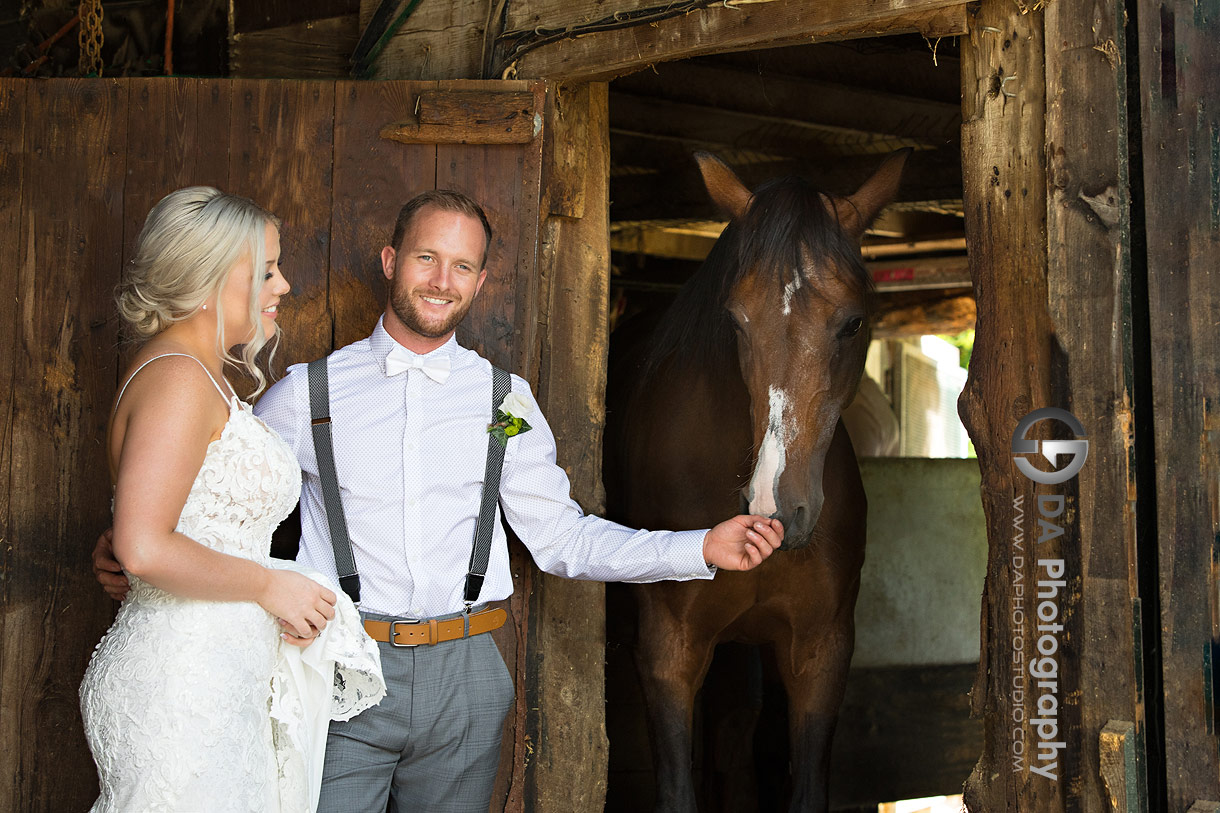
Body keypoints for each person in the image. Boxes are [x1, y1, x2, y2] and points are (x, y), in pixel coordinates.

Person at [94, 189, 784, 813]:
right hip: (341, 665)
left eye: (462, 266)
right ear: (392, 260)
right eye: (427, 257)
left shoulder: (502, 403)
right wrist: (128, 551)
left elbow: (563, 539)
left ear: (481, 282)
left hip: (468, 674)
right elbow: (206, 488)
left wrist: (699, 545)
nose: (441, 280)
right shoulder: (306, 394)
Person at [80, 187, 385, 813]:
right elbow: (142, 546)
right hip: (183, 683)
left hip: (211, 674)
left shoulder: (193, 373)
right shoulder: (178, 379)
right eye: (268, 269)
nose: (285, 284)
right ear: (212, 278)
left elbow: (152, 531)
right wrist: (270, 587)